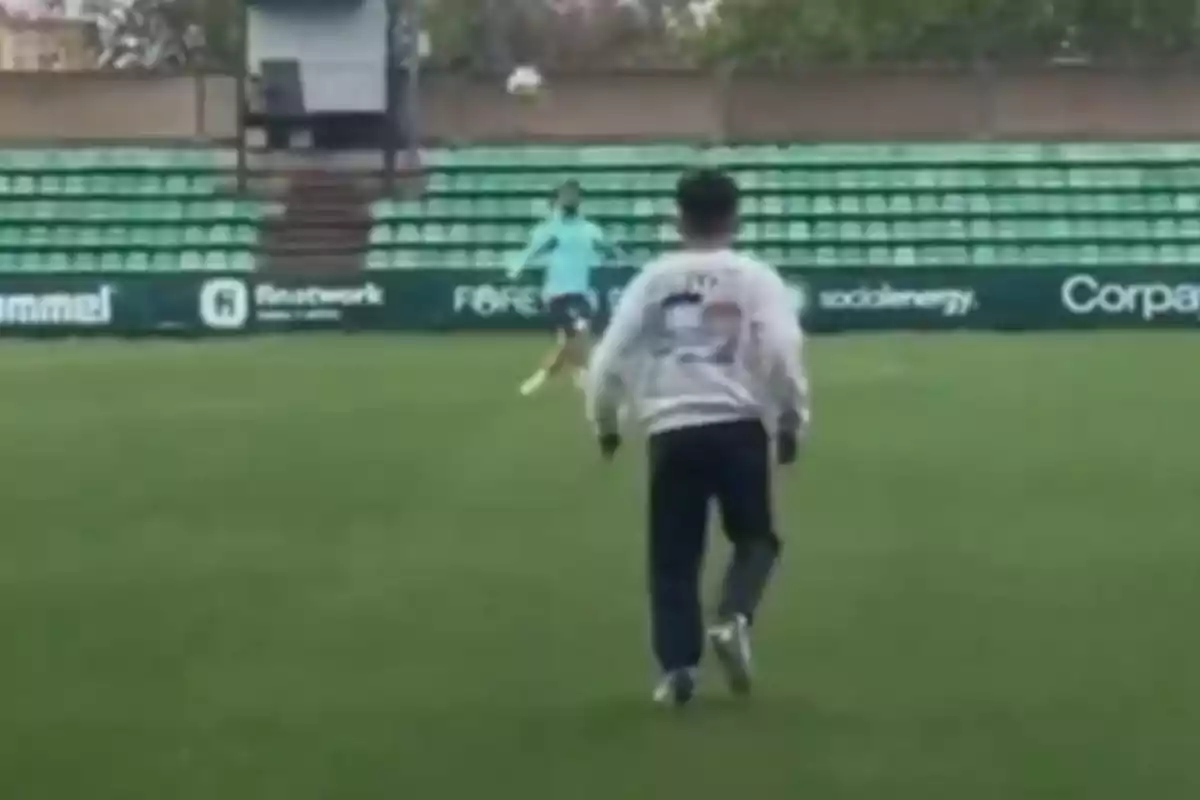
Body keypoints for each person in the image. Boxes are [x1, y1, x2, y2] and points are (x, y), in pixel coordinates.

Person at [584, 168, 811, 707]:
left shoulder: (653, 279)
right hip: (738, 426)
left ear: (678, 217)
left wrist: (607, 424)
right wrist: (792, 417)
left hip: (671, 429)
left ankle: (678, 670)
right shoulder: (755, 277)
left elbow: (608, 357)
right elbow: (781, 348)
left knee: (673, 555)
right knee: (756, 538)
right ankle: (733, 615)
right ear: (734, 216)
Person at [508, 180, 621, 396]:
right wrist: (516, 269)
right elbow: (531, 251)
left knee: (573, 339)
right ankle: (581, 374)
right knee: (578, 335)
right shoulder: (549, 229)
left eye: (574, 195)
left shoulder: (589, 229)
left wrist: (615, 252)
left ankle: (551, 375)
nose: (570, 199)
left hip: (579, 292)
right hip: (556, 293)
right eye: (566, 195)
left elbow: (606, 247)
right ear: (558, 200)